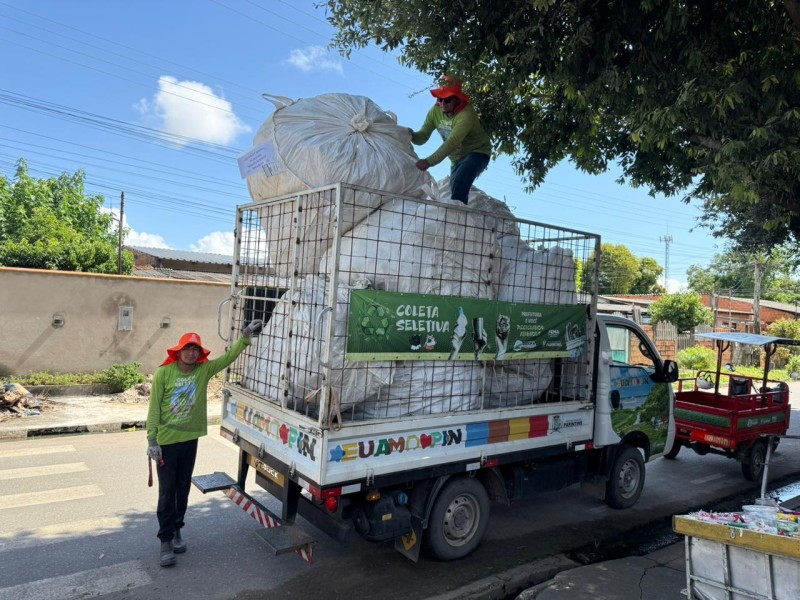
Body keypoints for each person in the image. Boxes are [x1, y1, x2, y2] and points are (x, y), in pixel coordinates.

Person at [146, 320, 262, 567]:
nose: (191, 352)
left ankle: (177, 529)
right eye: (187, 348)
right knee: (166, 493)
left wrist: (243, 338)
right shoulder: (163, 373)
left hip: (190, 440)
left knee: (182, 489)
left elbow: (226, 360)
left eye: (195, 349)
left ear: (199, 353)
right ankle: (165, 540)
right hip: (166, 442)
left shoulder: (202, 371)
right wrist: (152, 440)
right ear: (178, 351)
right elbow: (154, 408)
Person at [410, 77, 492, 203]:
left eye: (447, 100)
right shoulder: (434, 112)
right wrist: (410, 135)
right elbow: (422, 137)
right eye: (439, 99)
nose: (442, 104)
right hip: (456, 160)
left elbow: (452, 142)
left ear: (458, 99)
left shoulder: (466, 114)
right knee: (455, 193)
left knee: (459, 189)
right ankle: (457, 217)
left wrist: (428, 161)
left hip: (478, 152)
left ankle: (457, 218)